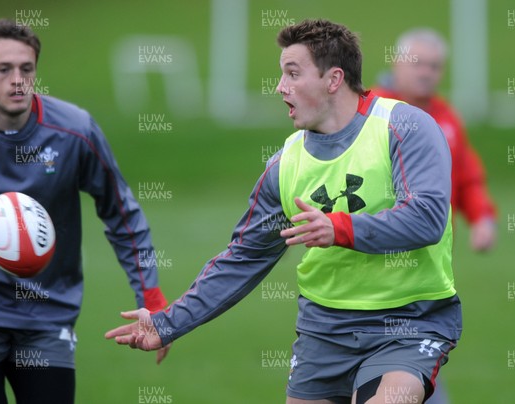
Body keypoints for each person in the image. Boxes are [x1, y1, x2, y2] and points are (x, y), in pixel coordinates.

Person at [107, 19, 462, 404]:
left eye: (293, 73)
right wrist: (167, 324)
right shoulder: (285, 164)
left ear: (333, 79)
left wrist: (338, 228)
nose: (280, 87)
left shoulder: (405, 126)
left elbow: (427, 217)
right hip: (323, 331)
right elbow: (244, 257)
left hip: (408, 323)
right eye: (281, 75)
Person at [0, 19, 170, 404]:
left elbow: (123, 215)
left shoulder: (73, 131)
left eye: (27, 68)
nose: (17, 80)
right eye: (4, 69)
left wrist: (151, 299)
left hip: (46, 316)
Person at [373, 28, 497, 253]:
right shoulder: (370, 110)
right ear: (396, 63)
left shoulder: (447, 117)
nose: (426, 73)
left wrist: (482, 218)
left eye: (434, 66)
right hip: (377, 243)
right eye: (417, 64)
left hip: (434, 249)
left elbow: (465, 176)